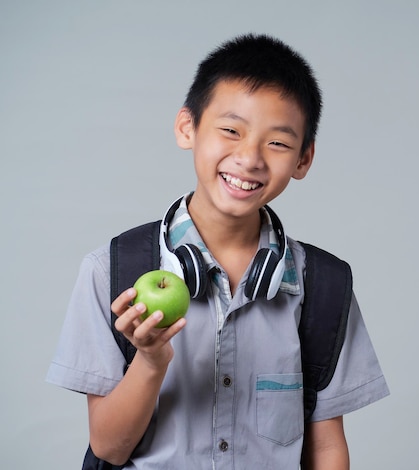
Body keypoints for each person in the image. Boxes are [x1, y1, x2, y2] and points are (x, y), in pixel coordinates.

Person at [47, 33, 389, 469]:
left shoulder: (323, 287)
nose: (249, 159)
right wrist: (151, 361)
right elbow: (108, 448)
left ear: (304, 159)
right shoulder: (111, 272)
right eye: (231, 131)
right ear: (187, 127)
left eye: (278, 143)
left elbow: (326, 447)